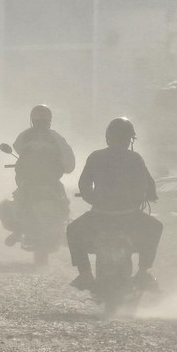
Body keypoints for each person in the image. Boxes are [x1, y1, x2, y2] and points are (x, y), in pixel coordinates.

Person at [67, 117, 162, 292]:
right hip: (130, 217)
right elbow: (149, 186)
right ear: (129, 139)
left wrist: (94, 199)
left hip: (99, 216)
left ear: (108, 137)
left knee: (72, 230)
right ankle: (142, 272)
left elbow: (84, 185)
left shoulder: (95, 156)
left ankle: (85, 273)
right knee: (156, 227)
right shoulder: (135, 158)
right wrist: (148, 196)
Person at [4, 105, 75, 246]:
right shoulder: (56, 137)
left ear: (32, 119)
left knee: (18, 201)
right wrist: (65, 167)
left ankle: (18, 231)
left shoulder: (24, 135)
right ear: (49, 120)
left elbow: (18, 149)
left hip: (29, 180)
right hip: (50, 180)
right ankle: (63, 229)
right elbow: (68, 158)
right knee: (62, 202)